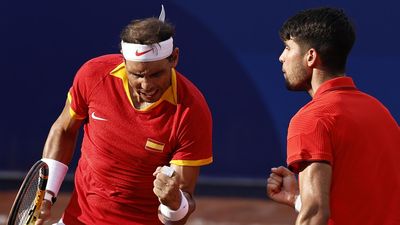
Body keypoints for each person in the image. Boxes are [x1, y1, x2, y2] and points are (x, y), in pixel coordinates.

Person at [36, 6, 213, 225]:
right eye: (137, 74)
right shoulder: (94, 75)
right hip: (79, 220)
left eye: (156, 74)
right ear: (123, 61)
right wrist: (44, 196)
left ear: (174, 58)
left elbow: (179, 212)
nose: (147, 85)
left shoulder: (191, 111)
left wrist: (174, 203)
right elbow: (63, 130)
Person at [266, 7, 400, 225]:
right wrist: (297, 199)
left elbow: (315, 213)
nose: (281, 58)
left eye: (288, 48)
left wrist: (308, 206)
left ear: (310, 56)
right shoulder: (379, 111)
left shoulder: (311, 119)